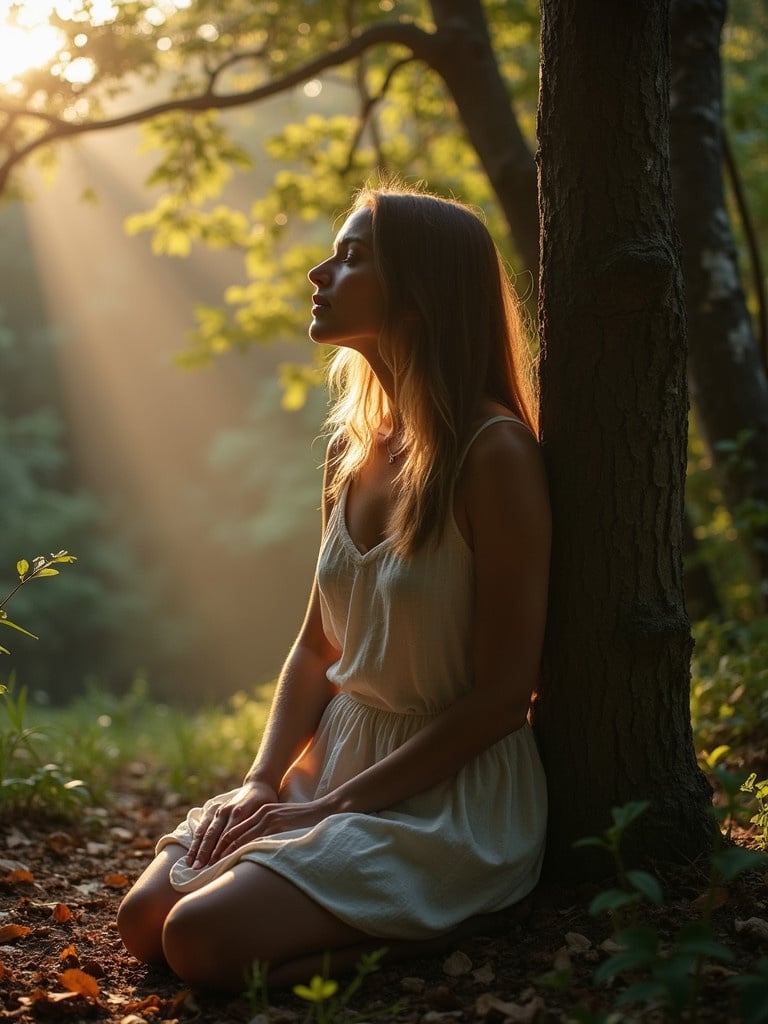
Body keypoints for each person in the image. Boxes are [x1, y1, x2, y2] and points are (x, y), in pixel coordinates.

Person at [117, 183, 551, 992]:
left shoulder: (495, 456)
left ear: (420, 295)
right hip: (338, 759)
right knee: (144, 924)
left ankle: (463, 922)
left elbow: (500, 700)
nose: (320, 272)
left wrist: (327, 811)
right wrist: (264, 781)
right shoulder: (352, 451)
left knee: (200, 944)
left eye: (352, 257)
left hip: (445, 793)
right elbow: (318, 646)